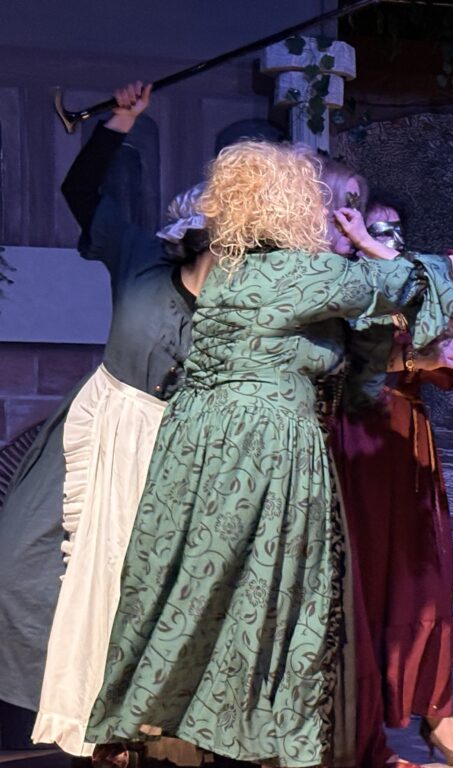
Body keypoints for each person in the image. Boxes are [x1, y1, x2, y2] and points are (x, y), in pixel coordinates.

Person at [81, 141, 453, 768]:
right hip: (264, 443)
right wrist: (394, 249)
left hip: (200, 443)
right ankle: (262, 734)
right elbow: (396, 283)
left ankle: (153, 723)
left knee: (198, 583)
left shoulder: (230, 269)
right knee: (275, 590)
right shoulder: (291, 272)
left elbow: (354, 343)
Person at [0, 81, 212, 763]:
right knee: (21, 563)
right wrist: (120, 121)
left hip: (172, 450)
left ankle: (126, 731)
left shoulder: (242, 305)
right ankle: (70, 708)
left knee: (140, 592)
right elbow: (81, 192)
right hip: (96, 432)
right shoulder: (140, 258)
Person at [323, 198, 453, 768]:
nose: (388, 235)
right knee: (365, 580)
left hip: (407, 438)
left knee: (426, 577)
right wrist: (416, 357)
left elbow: (448, 356)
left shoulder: (415, 291)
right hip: (352, 438)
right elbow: (357, 361)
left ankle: (438, 711)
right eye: (375, 226)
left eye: (395, 227)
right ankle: (361, 724)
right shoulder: (339, 289)